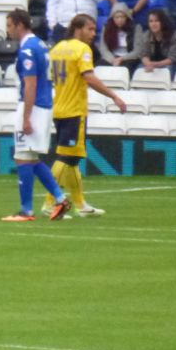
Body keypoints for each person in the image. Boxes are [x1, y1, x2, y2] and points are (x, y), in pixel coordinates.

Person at [44, 14, 127, 217]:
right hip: (74, 110)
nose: (93, 34)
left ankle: (81, 205)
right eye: (90, 29)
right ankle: (49, 203)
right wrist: (114, 96)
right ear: (78, 28)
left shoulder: (56, 50)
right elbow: (89, 77)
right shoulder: (82, 49)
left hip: (59, 108)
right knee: (66, 156)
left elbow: (51, 78)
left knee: (73, 159)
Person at [1, 9, 71, 223]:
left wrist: (26, 117)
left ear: (20, 25)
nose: (8, 30)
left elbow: (30, 84)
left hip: (33, 106)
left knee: (22, 156)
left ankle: (26, 211)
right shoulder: (40, 44)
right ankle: (60, 199)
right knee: (31, 157)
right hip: (44, 104)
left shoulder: (28, 50)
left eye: (10, 25)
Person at [133, 8, 176, 73]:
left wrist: (156, 64)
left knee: (168, 70)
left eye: (157, 21)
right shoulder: (146, 35)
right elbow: (144, 54)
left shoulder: (174, 35)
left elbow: (173, 58)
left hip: (172, 64)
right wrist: (148, 64)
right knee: (140, 69)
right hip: (153, 64)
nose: (153, 24)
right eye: (151, 21)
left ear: (163, 22)